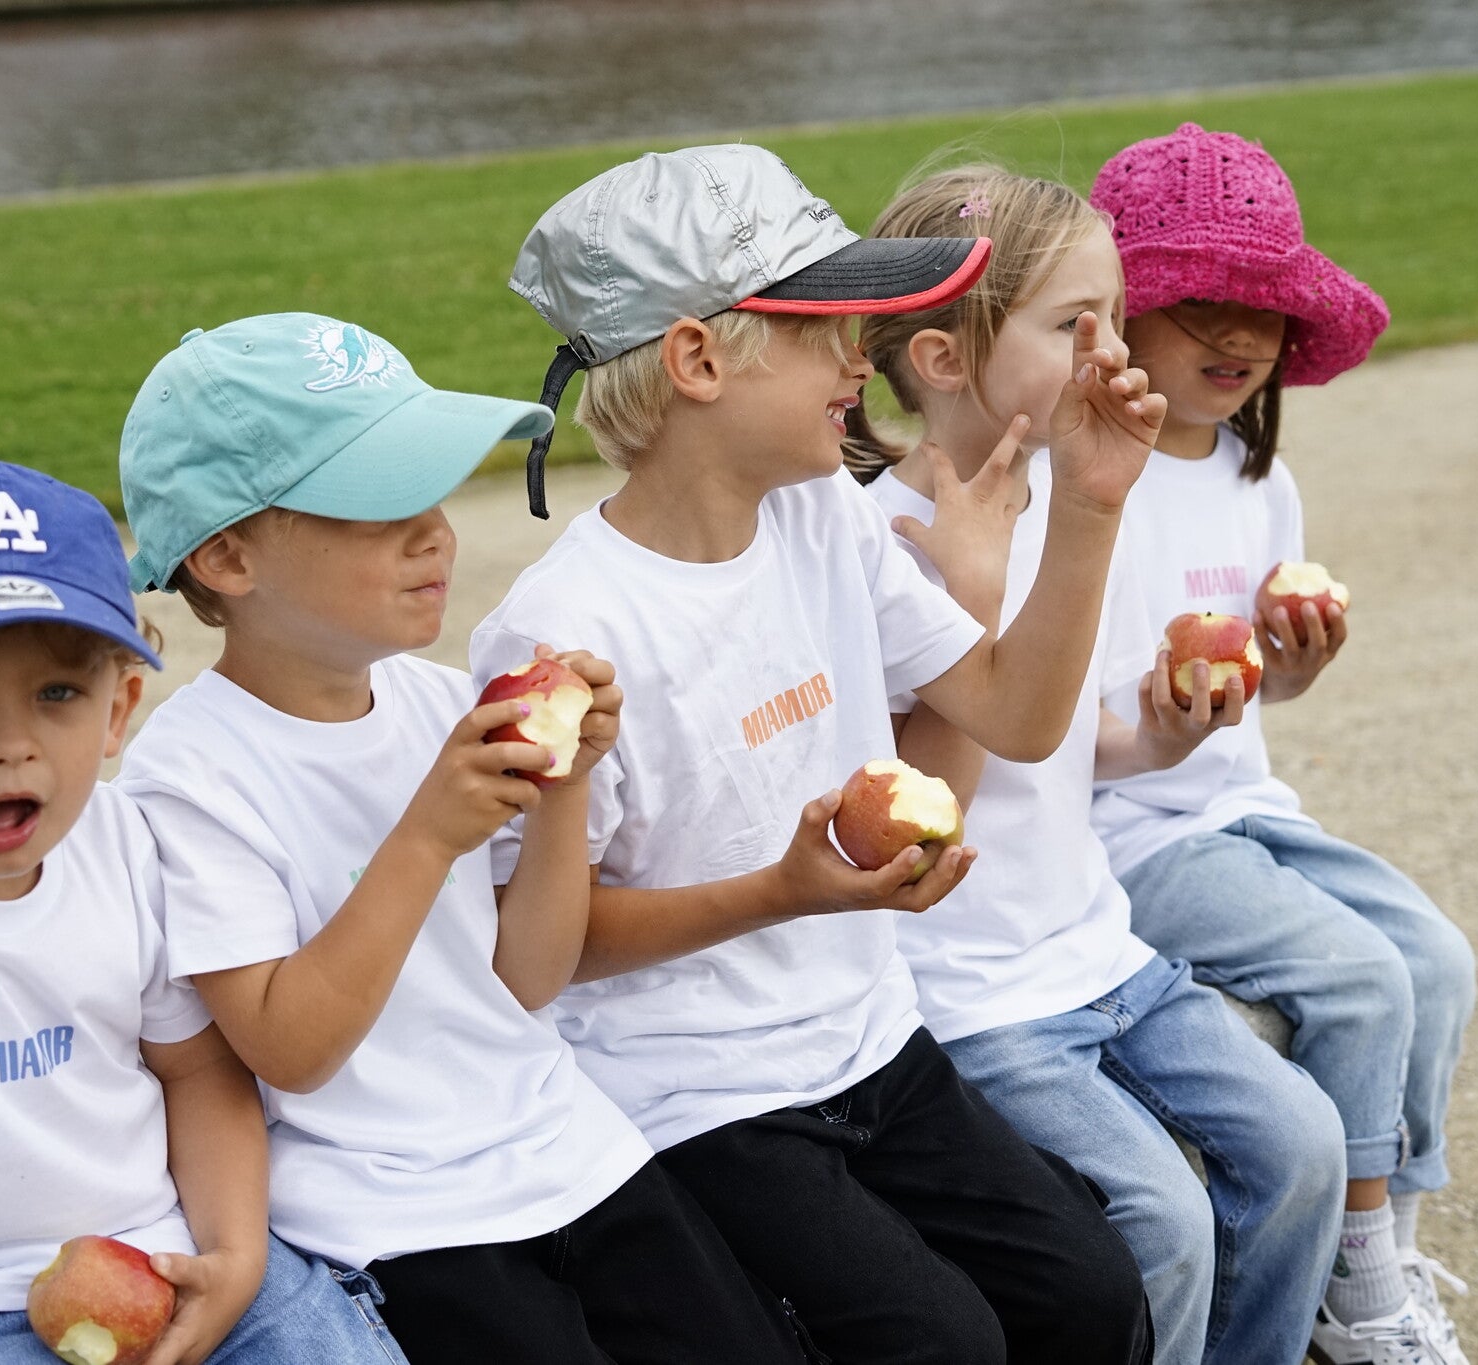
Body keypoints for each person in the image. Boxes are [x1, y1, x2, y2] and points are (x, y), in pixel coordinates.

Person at [471, 143, 1159, 1364]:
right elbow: (553, 946)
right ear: (695, 360)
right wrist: (779, 894)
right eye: (823, 329)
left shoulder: (820, 515)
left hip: (870, 1039)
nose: (862, 358)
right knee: (939, 1344)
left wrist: (1092, 510)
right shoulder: (562, 631)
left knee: (1089, 1296)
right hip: (699, 1097)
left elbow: (1012, 715)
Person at [113, 313, 809, 1365]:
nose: (432, 531)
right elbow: (289, 1051)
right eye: (377, 503)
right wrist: (425, 836)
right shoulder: (190, 774)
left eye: (429, 492)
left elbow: (526, 978)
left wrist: (567, 790)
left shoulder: (443, 704)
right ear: (227, 555)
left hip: (561, 1150)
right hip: (392, 1212)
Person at [0, 460, 408, 1365]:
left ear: (119, 709)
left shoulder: (121, 842)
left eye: (58, 694)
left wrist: (237, 1258)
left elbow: (198, 1073)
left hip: (160, 1250)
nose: (14, 745)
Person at [844, 161, 1348, 1365]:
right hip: (969, 993)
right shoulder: (879, 545)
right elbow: (920, 824)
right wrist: (967, 606)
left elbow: (1075, 741)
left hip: (1096, 946)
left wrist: (1164, 733)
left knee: (1305, 1146)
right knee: (1161, 1222)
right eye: (1079, 325)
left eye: (1117, 316)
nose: (1117, 350)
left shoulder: (1068, 502)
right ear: (943, 359)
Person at [1088, 122, 1478, 1364]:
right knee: (1357, 979)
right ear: (1121, 312)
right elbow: (1037, 728)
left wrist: (1288, 672)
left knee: (1436, 959)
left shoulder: (1256, 479)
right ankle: (1356, 1300)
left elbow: (1254, 701)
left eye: (1264, 307)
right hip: (1119, 834)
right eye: (1200, 301)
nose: (1241, 335)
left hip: (1234, 807)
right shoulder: (1076, 477)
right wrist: (1156, 726)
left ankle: (1382, 1248)